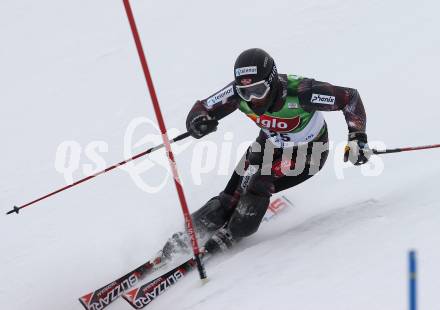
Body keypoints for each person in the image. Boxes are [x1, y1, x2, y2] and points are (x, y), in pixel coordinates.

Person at [165, 48, 371, 258]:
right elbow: (203, 107)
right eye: (246, 93)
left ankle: (236, 229)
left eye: (258, 90)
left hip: (309, 153)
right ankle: (190, 233)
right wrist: (198, 121)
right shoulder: (237, 94)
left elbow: (349, 98)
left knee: (258, 182)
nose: (253, 99)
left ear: (272, 82)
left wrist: (357, 138)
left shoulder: (301, 92)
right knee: (229, 197)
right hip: (268, 145)